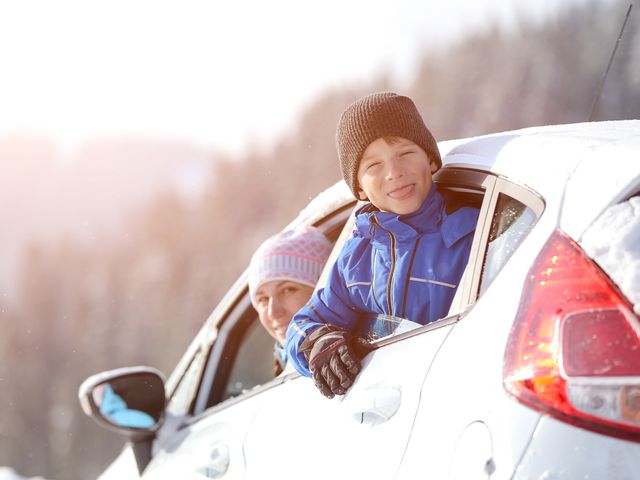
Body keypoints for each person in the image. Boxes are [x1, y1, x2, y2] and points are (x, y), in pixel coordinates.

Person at [285, 92, 479, 398]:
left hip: (457, 396)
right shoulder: (357, 257)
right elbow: (303, 323)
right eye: (373, 165)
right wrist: (316, 341)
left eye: (405, 153)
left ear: (430, 158)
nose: (394, 172)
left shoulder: (472, 233)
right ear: (359, 187)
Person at [248, 226, 333, 375]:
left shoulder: (342, 357)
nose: (273, 312)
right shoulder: (285, 365)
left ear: (322, 288)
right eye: (263, 299)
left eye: (287, 290)